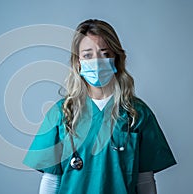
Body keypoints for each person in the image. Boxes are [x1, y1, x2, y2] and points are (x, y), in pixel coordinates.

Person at [23, 19, 176, 194]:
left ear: (116, 59)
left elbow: (145, 181)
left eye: (104, 54)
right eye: (88, 55)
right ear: (78, 62)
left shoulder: (137, 113)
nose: (96, 62)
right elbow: (51, 180)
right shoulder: (61, 113)